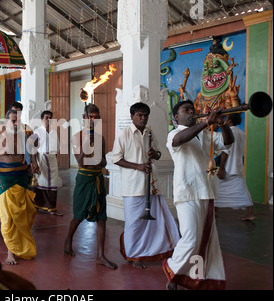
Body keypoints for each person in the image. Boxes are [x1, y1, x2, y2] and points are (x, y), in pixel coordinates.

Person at [163, 100, 234, 290]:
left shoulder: (204, 133)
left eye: (193, 110)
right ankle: (172, 270)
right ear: (176, 117)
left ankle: (195, 277)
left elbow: (228, 142)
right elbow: (179, 141)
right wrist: (206, 122)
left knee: (205, 240)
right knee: (191, 238)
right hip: (187, 193)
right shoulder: (174, 133)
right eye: (186, 110)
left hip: (206, 191)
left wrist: (221, 123)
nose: (191, 113)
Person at [111, 102, 180, 269]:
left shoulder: (150, 132)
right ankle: (133, 255)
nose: (143, 118)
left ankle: (148, 251)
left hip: (151, 185)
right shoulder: (124, 134)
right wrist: (138, 166)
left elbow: (157, 154)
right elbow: (115, 158)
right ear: (132, 116)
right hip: (133, 187)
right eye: (139, 115)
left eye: (145, 115)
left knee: (152, 223)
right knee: (134, 223)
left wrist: (154, 154)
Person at [63, 104, 118, 269]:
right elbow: (80, 162)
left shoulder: (101, 138)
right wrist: (87, 144)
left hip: (98, 179)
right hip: (84, 179)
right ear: (84, 118)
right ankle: (68, 240)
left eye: (96, 116)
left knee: (102, 218)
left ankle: (100, 256)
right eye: (91, 117)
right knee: (79, 216)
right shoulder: (76, 137)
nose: (94, 120)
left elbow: (103, 162)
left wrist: (97, 158)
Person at [0, 109, 39, 265]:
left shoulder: (26, 138)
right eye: (13, 121)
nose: (16, 124)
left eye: (18, 121)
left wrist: (34, 165)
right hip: (4, 180)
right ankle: (11, 252)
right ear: (7, 121)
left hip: (22, 179)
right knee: (8, 218)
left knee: (23, 215)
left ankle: (21, 247)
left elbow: (32, 157)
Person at [215, 113, 255, 221]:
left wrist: (221, 169)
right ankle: (250, 213)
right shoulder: (241, 133)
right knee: (242, 189)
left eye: (226, 118)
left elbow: (225, 151)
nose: (225, 120)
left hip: (229, 166)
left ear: (230, 121)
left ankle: (215, 210)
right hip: (237, 165)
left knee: (216, 186)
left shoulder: (229, 132)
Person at [31, 110, 62, 216]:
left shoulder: (54, 133)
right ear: (41, 119)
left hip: (52, 159)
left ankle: (52, 207)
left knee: (53, 183)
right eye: (46, 117)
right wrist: (35, 162)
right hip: (42, 158)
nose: (48, 120)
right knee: (42, 181)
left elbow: (57, 149)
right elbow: (33, 149)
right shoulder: (37, 132)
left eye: (50, 118)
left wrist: (55, 160)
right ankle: (40, 205)